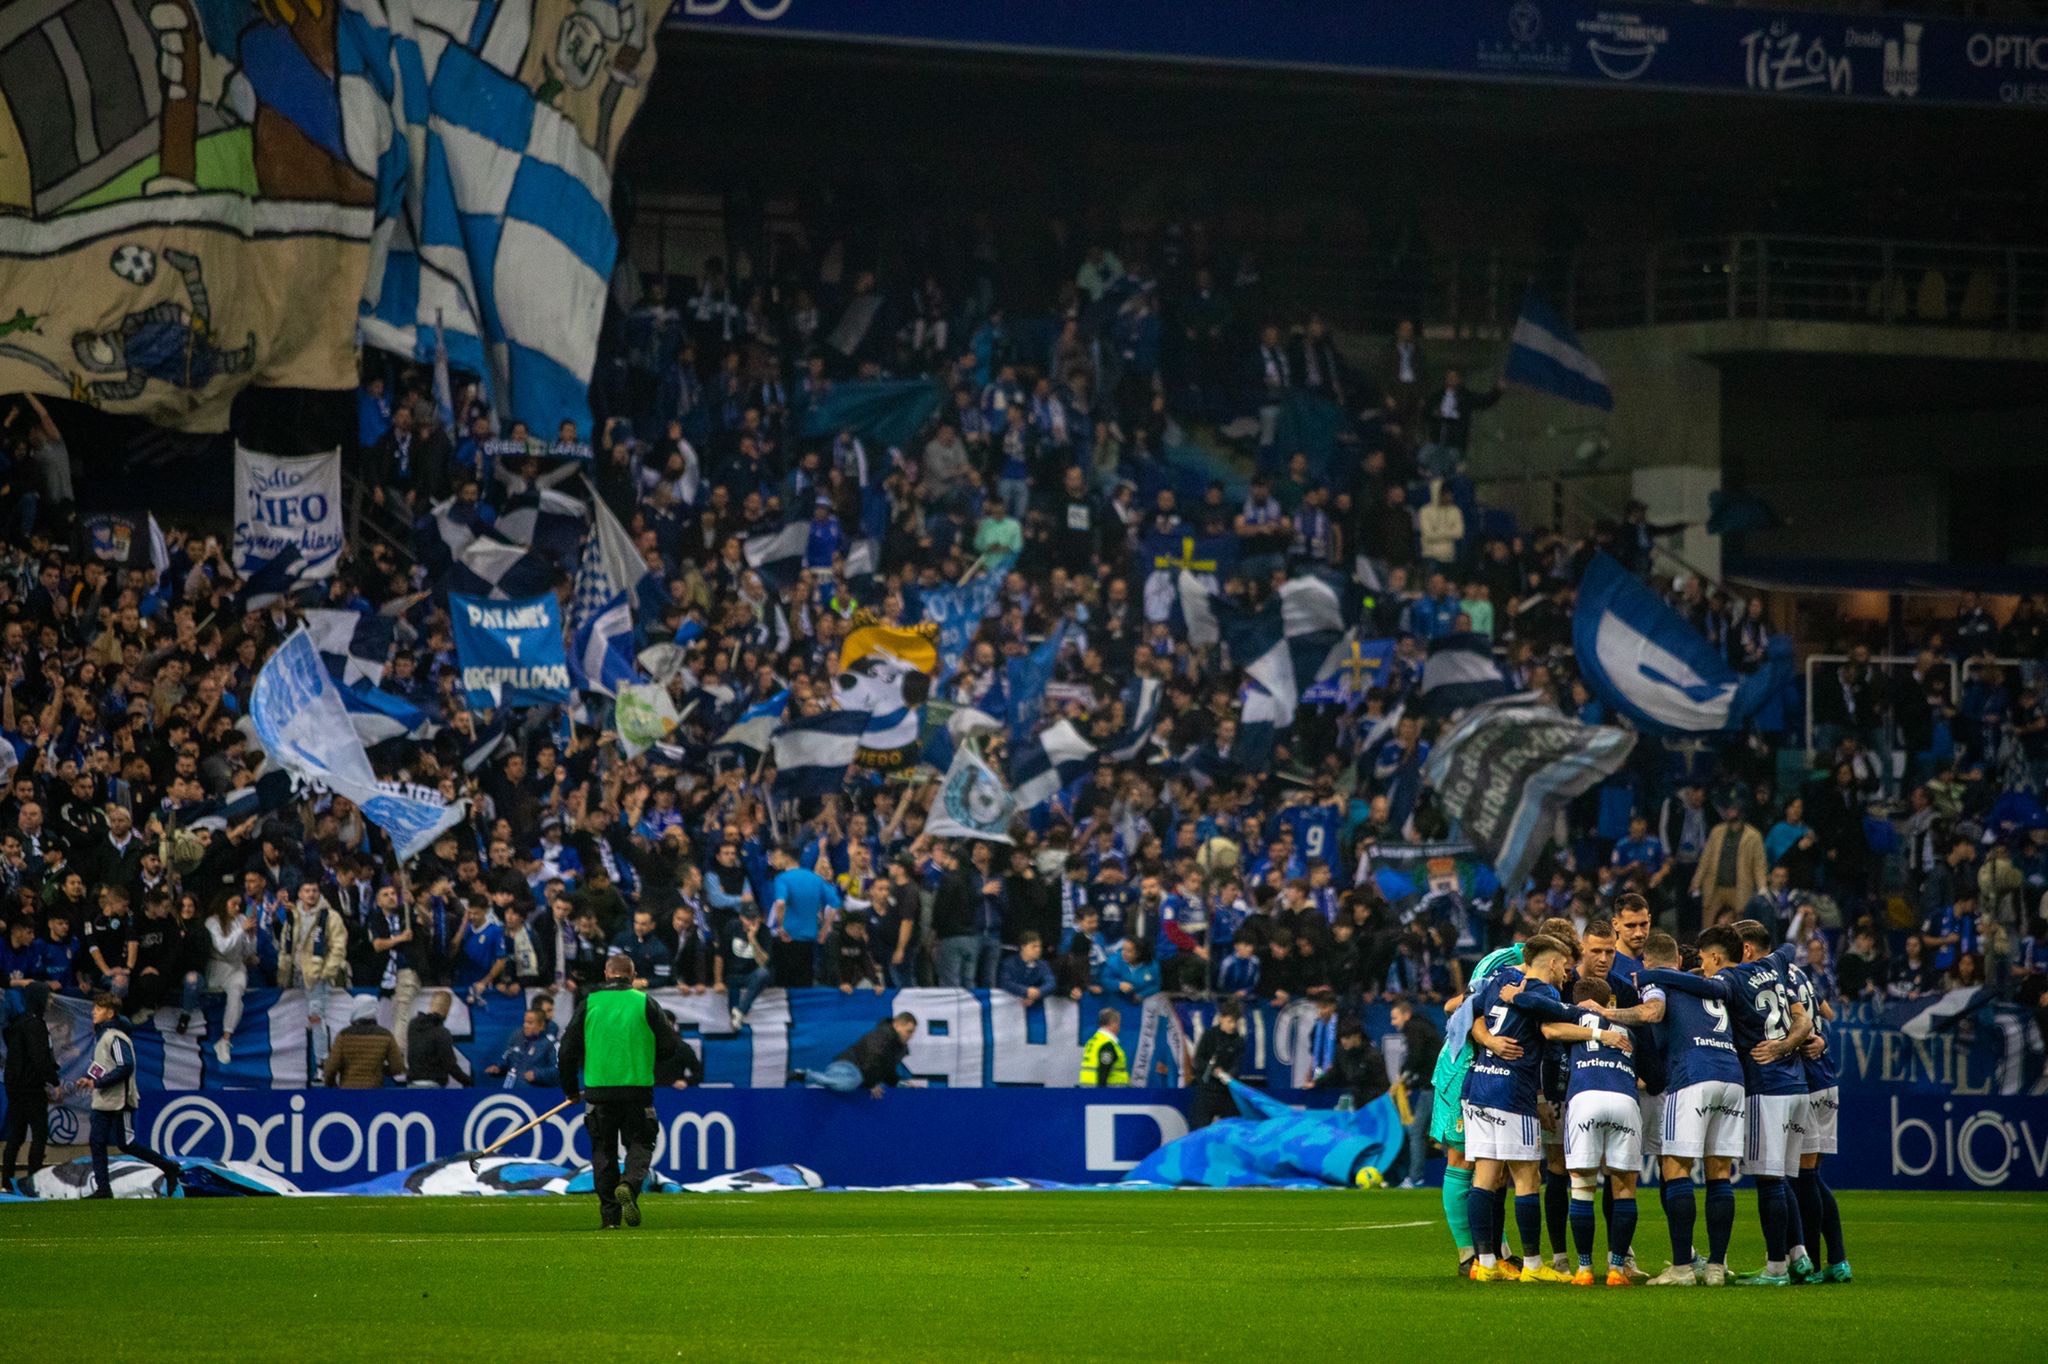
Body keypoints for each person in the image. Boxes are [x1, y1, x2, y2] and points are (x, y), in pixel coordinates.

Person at [1464, 935, 1628, 1283]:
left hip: (1479, 1085)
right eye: (1566, 966)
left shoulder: (1499, 979)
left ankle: (1486, 1262)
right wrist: (1598, 1029)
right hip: (1513, 1091)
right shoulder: (1545, 993)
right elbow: (1553, 1029)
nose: (1568, 974)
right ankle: (1534, 1266)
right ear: (1552, 962)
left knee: (1485, 1177)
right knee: (1528, 1177)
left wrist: (1488, 1040)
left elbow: (1467, 1011)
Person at [560, 955, 684, 1228]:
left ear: (606, 974)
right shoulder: (644, 1002)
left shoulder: (589, 1003)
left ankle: (610, 1218)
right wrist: (645, 1055)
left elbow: (566, 1051)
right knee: (641, 1142)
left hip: (598, 1091)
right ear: (632, 975)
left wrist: (570, 1090)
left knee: (603, 1152)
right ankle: (629, 1183)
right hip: (636, 1090)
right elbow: (670, 1045)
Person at [1558, 977, 1641, 1286]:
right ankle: (1617, 1269)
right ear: (1610, 1002)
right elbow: (1649, 1073)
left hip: (1585, 1098)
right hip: (1624, 1099)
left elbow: (1551, 1040)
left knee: (1582, 1186)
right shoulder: (1627, 1029)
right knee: (1624, 1187)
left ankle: (1584, 1269)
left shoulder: (1571, 1020)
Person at [75, 992, 181, 1197]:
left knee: (126, 1144)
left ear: (110, 1013)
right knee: (97, 1141)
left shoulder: (115, 1036)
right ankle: (103, 1189)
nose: (93, 1012)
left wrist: (97, 1082)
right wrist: (89, 1078)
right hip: (104, 1099)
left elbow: (125, 1066)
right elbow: (104, 1065)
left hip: (119, 1100)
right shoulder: (104, 1036)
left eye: (99, 1008)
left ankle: (169, 1167)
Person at [2, 981, 59, 1191]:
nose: (51, 1001)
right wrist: (54, 1081)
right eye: (48, 997)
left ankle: (6, 1181)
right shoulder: (35, 1025)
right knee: (39, 1133)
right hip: (31, 1088)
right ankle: (33, 1181)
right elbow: (39, 1058)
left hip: (15, 1087)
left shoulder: (19, 1023)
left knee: (16, 1135)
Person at [1389, 996, 1442, 1189]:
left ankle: (1415, 1178)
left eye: (1395, 1018)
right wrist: (1412, 1083)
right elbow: (1426, 1059)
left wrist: (1403, 1078)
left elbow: (1415, 1056)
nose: (1393, 1023)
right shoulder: (1425, 1027)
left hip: (1433, 1088)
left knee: (1417, 1131)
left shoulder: (1412, 1028)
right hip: (1440, 1085)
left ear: (1406, 1015)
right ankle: (1460, 1175)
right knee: (1444, 1134)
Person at [804, 1011, 917, 1096]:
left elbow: (887, 1073)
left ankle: (821, 1084)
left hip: (860, 1075)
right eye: (909, 1031)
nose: (911, 1036)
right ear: (896, 1025)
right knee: (854, 1080)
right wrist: (871, 1084)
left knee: (856, 1082)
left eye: (913, 1033)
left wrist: (901, 1084)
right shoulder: (881, 1036)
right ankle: (809, 1076)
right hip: (846, 1067)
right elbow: (872, 1059)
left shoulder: (897, 1048)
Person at [322, 995, 408, 1089]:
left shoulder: (344, 1035)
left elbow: (331, 1067)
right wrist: (380, 1069)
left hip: (347, 1090)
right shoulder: (386, 1035)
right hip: (374, 1090)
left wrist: (331, 1085)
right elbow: (397, 1067)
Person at [1187, 999, 1245, 1128]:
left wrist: (1227, 1075)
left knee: (1231, 1129)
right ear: (1221, 1019)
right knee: (1199, 1129)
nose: (1233, 1025)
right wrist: (1213, 1070)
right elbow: (1198, 1060)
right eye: (1230, 1021)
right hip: (1206, 1092)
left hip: (1227, 1093)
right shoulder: (1209, 1035)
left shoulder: (1238, 1041)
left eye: (1235, 1022)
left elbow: (1237, 1065)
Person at [406, 990, 472, 1088]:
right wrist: (468, 1081)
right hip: (434, 1085)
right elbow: (450, 1065)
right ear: (447, 1009)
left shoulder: (413, 1025)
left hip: (412, 1083)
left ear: (431, 1004)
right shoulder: (442, 1033)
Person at [485, 1008, 561, 1089]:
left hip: (536, 1093)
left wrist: (537, 1075)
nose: (525, 1025)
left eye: (530, 1023)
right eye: (525, 1022)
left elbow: (560, 1071)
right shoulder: (517, 1038)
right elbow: (507, 1059)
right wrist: (498, 1068)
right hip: (510, 1090)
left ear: (541, 1025)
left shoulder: (551, 1044)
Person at [1078, 1007, 1128, 1087]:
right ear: (1113, 1023)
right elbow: (1103, 1072)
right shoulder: (1107, 1045)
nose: (1119, 1027)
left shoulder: (1093, 1041)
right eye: (1118, 1023)